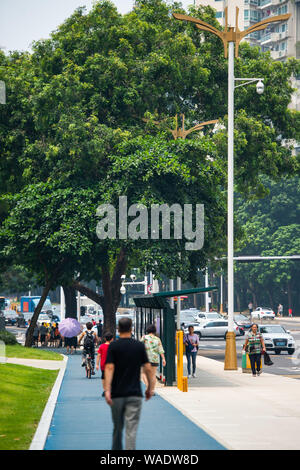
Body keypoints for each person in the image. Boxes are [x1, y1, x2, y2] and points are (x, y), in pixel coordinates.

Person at [104, 317, 154, 451]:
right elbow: (148, 368)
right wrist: (150, 388)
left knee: (117, 427)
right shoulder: (138, 346)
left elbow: (109, 368)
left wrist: (107, 390)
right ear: (131, 329)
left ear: (118, 329)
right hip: (134, 394)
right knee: (131, 430)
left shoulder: (113, 346)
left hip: (117, 394)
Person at [141, 324, 166, 391]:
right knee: (153, 375)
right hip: (154, 359)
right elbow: (161, 350)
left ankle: (148, 387)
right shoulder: (157, 339)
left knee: (144, 374)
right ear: (154, 331)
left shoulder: (144, 338)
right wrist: (163, 359)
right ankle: (152, 390)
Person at [96, 332, 114, 397]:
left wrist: (97, 364)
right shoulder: (113, 346)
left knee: (103, 377)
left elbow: (98, 355)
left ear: (105, 339)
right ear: (112, 339)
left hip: (103, 365)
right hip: (112, 365)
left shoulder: (102, 346)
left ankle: (105, 390)